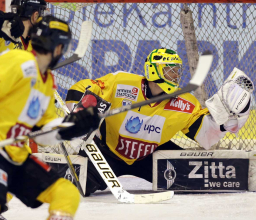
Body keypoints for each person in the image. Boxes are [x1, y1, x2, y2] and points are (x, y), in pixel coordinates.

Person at [0, 15, 100, 220]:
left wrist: (72, 127)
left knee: (66, 194)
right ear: (59, 48)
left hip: (16, 155)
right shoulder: (17, 61)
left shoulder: (46, 82)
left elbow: (42, 133)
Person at [65, 48, 252, 196]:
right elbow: (80, 88)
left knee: (194, 179)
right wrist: (80, 111)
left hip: (151, 155)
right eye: (170, 70)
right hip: (107, 152)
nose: (175, 76)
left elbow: (205, 134)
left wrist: (226, 120)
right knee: (75, 185)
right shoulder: (121, 83)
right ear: (154, 70)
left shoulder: (185, 102)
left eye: (177, 71)